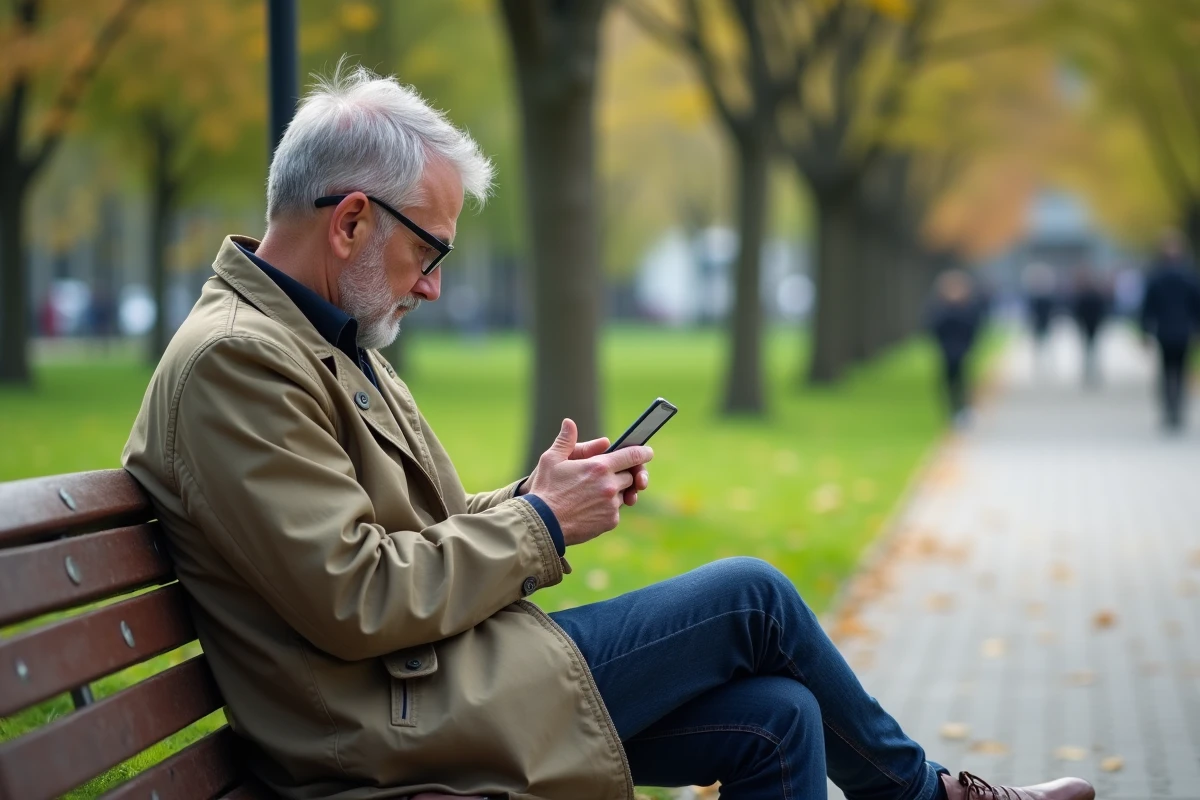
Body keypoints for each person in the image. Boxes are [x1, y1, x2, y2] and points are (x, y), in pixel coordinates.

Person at [122, 65, 1093, 800]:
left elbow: (394, 545)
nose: (434, 284)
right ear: (349, 224)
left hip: (429, 681)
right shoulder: (237, 361)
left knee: (780, 716)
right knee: (753, 596)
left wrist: (528, 497)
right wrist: (543, 521)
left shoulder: (316, 338)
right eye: (431, 249)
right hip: (383, 723)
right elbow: (358, 595)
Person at [1140, 230, 1200, 431]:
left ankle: (1169, 409)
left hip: (1164, 332)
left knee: (1166, 372)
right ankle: (1177, 410)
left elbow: (1147, 307)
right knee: (1181, 371)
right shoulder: (1189, 276)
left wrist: (1145, 331)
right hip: (1184, 331)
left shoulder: (1156, 276)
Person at [927, 270, 982, 426]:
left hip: (963, 349)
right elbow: (933, 328)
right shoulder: (939, 308)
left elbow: (974, 327)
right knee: (948, 381)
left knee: (964, 379)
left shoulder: (969, 308)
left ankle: (964, 409)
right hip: (946, 350)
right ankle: (952, 410)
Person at [1068, 266, 1109, 387]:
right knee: (1094, 349)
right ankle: (1093, 372)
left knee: (1088, 350)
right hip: (1093, 325)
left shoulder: (1082, 296)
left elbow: (1077, 312)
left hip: (1087, 325)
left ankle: (1089, 372)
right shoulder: (1095, 295)